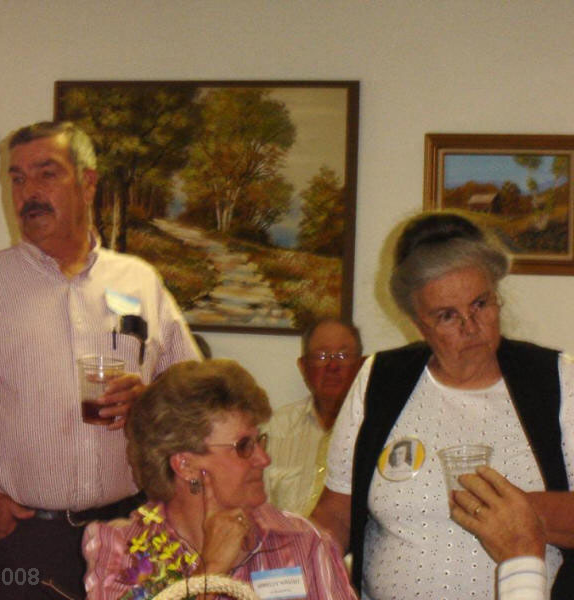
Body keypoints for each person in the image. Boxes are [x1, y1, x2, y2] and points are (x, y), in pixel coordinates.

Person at [0, 121, 201, 600]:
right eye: (17, 179)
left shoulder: (140, 282)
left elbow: (199, 400)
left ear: (88, 182)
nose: (28, 193)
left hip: (130, 536)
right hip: (15, 542)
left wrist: (152, 401)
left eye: (46, 174)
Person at [311, 211, 574, 599]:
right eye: (447, 316)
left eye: (480, 304)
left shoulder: (555, 379)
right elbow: (336, 515)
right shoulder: (380, 380)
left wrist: (517, 512)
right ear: (419, 325)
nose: (471, 327)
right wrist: (288, 559)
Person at [82, 359, 358, 600]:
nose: (264, 459)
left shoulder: (305, 543)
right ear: (185, 465)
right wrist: (211, 571)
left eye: (260, 440)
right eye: (244, 446)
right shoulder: (121, 548)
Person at [264, 318, 362, 515]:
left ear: (361, 365)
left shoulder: (377, 430)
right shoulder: (274, 428)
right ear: (303, 366)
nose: (333, 366)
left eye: (343, 356)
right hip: (285, 544)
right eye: (321, 355)